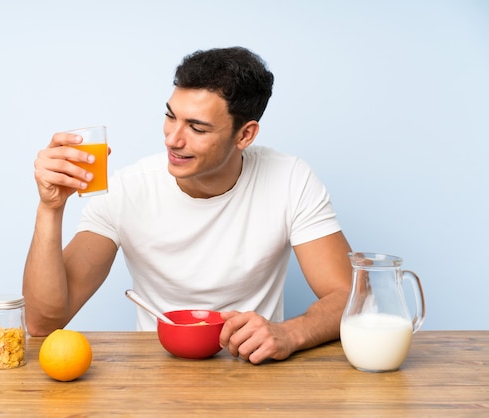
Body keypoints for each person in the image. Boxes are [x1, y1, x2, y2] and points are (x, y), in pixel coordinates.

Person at [23, 46, 353, 365]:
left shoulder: (289, 179)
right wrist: (50, 209)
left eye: (196, 128)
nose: (173, 138)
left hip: (250, 370)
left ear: (245, 135)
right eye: (170, 117)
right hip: (154, 374)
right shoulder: (127, 188)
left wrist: (288, 334)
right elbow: (43, 323)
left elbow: (349, 297)